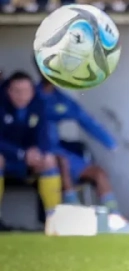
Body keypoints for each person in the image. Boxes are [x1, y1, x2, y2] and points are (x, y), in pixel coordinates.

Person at [35, 75, 119, 211]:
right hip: (36, 153)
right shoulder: (30, 95)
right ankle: (74, 212)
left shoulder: (61, 99)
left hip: (57, 149)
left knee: (99, 174)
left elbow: (85, 119)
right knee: (62, 163)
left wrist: (111, 144)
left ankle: (115, 216)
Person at [0, 71, 62, 233]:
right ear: (8, 91)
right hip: (8, 159)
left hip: (30, 161)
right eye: (17, 91)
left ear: (32, 91)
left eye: (26, 91)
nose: (22, 96)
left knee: (49, 160)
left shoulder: (38, 106)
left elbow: (45, 136)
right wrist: (21, 153)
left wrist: (39, 152)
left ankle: (54, 220)